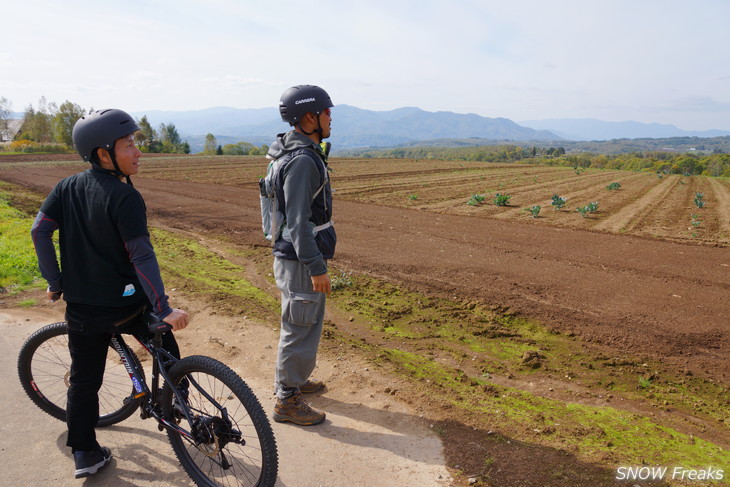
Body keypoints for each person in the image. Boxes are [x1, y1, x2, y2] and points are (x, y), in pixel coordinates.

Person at [30, 108, 189, 478]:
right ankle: (174, 403)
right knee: (166, 348)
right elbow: (141, 255)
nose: (138, 152)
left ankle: (85, 453)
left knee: (84, 381)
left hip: (83, 309)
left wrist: (54, 281)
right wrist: (162, 306)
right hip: (126, 305)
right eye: (130, 144)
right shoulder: (124, 197)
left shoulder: (65, 187)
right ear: (104, 153)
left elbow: (40, 231)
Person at [268, 85, 336, 426]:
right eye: (326, 112)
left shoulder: (294, 151)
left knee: (304, 322)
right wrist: (316, 266)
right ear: (310, 117)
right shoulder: (303, 161)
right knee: (298, 325)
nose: (330, 117)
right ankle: (287, 399)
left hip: (296, 258)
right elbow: (298, 222)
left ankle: (296, 379)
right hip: (300, 260)